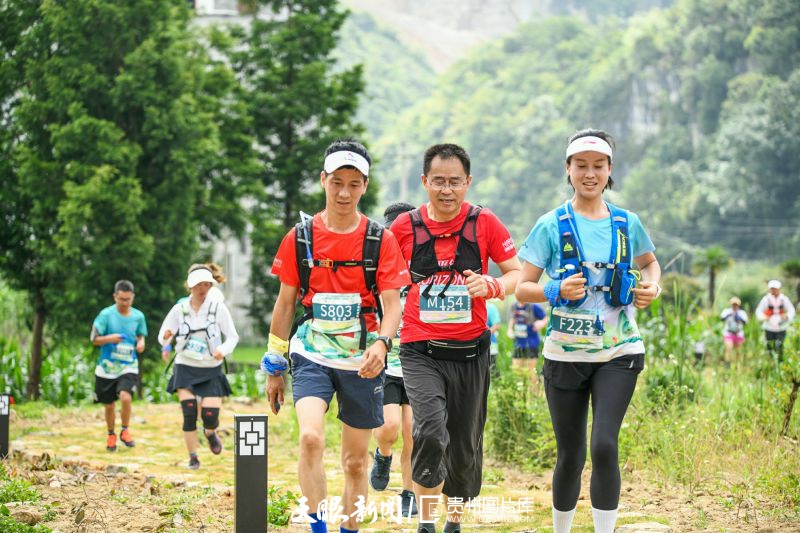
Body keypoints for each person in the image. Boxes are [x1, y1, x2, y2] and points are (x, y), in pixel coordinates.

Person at [515, 129, 661, 533]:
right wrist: (554, 289)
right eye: (581, 165)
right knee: (571, 454)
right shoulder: (550, 224)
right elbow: (521, 287)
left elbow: (651, 264)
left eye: (598, 166)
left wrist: (653, 286)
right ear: (568, 169)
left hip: (620, 351)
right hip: (564, 354)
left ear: (610, 170)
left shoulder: (626, 223)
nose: (590, 173)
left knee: (604, 445)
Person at [262, 139, 409, 533]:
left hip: (362, 359)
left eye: (354, 183)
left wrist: (382, 342)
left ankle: (349, 528)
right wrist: (274, 364)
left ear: (365, 185)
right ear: (323, 180)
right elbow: (286, 304)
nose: (344, 192)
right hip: (312, 353)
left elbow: (393, 305)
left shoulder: (381, 240)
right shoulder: (300, 238)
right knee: (310, 437)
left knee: (355, 462)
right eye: (337, 182)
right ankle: (317, 525)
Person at [389, 143, 521, 533]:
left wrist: (492, 284)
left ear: (468, 183)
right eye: (438, 182)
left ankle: (454, 522)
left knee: (464, 446)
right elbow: (381, 278)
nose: (446, 190)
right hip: (419, 349)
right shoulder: (404, 228)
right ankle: (426, 523)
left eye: (455, 182)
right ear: (424, 182)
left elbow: (516, 274)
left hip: (470, 352)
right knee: (429, 430)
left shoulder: (485, 224)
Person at [158, 263, 239, 469]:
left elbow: (232, 336)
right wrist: (166, 337)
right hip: (185, 365)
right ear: (190, 286)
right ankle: (193, 457)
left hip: (211, 368)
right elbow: (163, 336)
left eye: (206, 284)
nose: (202, 289)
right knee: (189, 411)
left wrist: (223, 350)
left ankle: (210, 432)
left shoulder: (218, 308)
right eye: (198, 285)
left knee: (210, 417)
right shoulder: (180, 309)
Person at [369, 202, 418, 518]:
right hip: (385, 366)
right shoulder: (376, 274)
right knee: (388, 427)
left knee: (415, 433)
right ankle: (383, 453)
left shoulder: (421, 276)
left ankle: (409, 493)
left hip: (417, 365)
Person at [90, 280, 147, 452]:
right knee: (109, 405)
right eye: (121, 299)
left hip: (128, 365)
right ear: (115, 296)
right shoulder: (105, 315)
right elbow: (94, 339)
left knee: (126, 397)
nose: (125, 303)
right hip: (107, 368)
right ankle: (111, 434)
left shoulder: (138, 316)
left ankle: (125, 430)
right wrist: (110, 338)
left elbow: (141, 336)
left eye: (128, 299)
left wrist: (141, 343)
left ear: (133, 297)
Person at [756, 280, 795, 359]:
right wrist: (764, 317)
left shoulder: (784, 299)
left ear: (779, 289)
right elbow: (758, 311)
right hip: (769, 327)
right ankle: (771, 362)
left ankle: (780, 362)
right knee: (770, 346)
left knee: (780, 345)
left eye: (775, 289)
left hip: (781, 326)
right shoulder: (766, 299)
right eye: (772, 289)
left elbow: (791, 310)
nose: (773, 290)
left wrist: (786, 316)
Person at [508, 301, 547, 374]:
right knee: (516, 370)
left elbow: (545, 318)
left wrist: (541, 323)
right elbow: (513, 318)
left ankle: (534, 385)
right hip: (518, 343)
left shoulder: (534, 306)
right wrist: (509, 329)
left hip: (531, 343)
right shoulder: (514, 306)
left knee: (530, 371)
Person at [720, 296, 748, 363]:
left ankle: (738, 364)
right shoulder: (726, 311)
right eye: (733, 304)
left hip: (738, 333)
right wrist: (729, 315)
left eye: (736, 304)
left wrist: (739, 317)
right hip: (729, 333)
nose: (734, 306)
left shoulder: (742, 313)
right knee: (729, 348)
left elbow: (745, 322)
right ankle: (727, 364)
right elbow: (722, 319)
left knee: (739, 351)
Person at [486, 301, 502, 377]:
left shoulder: (490, 307)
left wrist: (484, 336)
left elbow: (497, 325)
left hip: (490, 343)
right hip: (475, 345)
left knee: (492, 367)